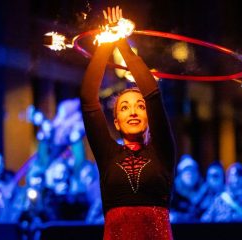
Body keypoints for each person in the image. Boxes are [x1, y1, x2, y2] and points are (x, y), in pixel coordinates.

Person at [80, 6, 176, 239]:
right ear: (117, 122)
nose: (133, 111)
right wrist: (106, 39)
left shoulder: (163, 152)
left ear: (149, 117)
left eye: (140, 106)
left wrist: (121, 39)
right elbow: (88, 99)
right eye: (125, 107)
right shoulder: (107, 154)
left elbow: (152, 93)